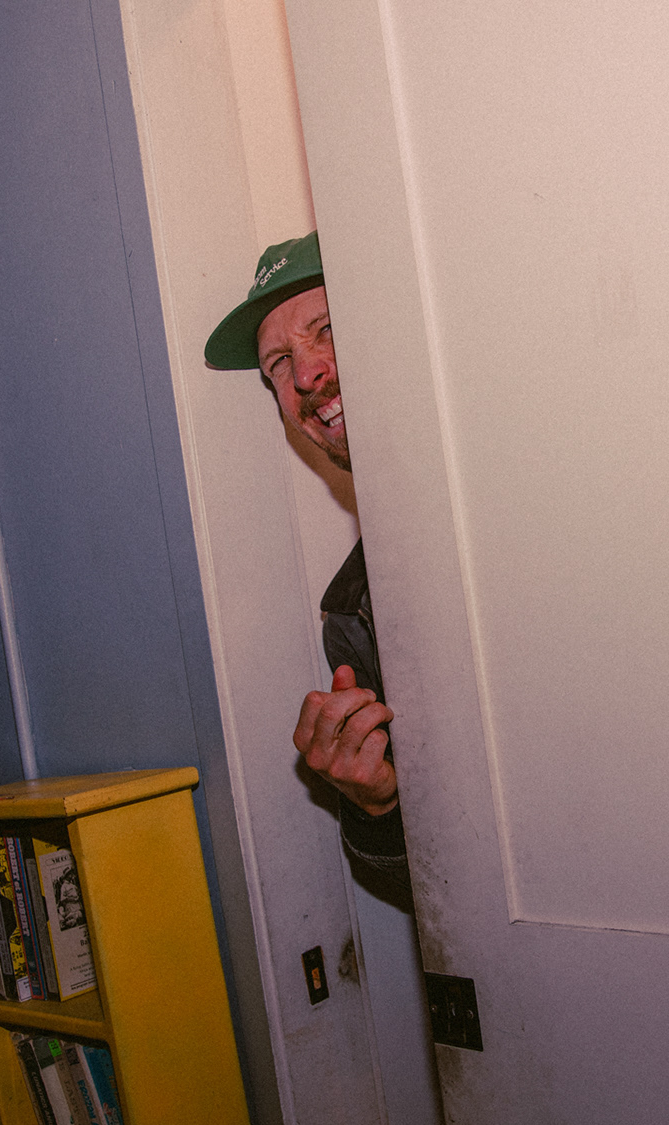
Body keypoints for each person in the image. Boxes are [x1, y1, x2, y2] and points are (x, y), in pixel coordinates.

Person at [205, 233, 412, 908]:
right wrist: (376, 807)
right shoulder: (354, 613)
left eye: (326, 330)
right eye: (278, 365)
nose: (305, 375)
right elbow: (438, 900)